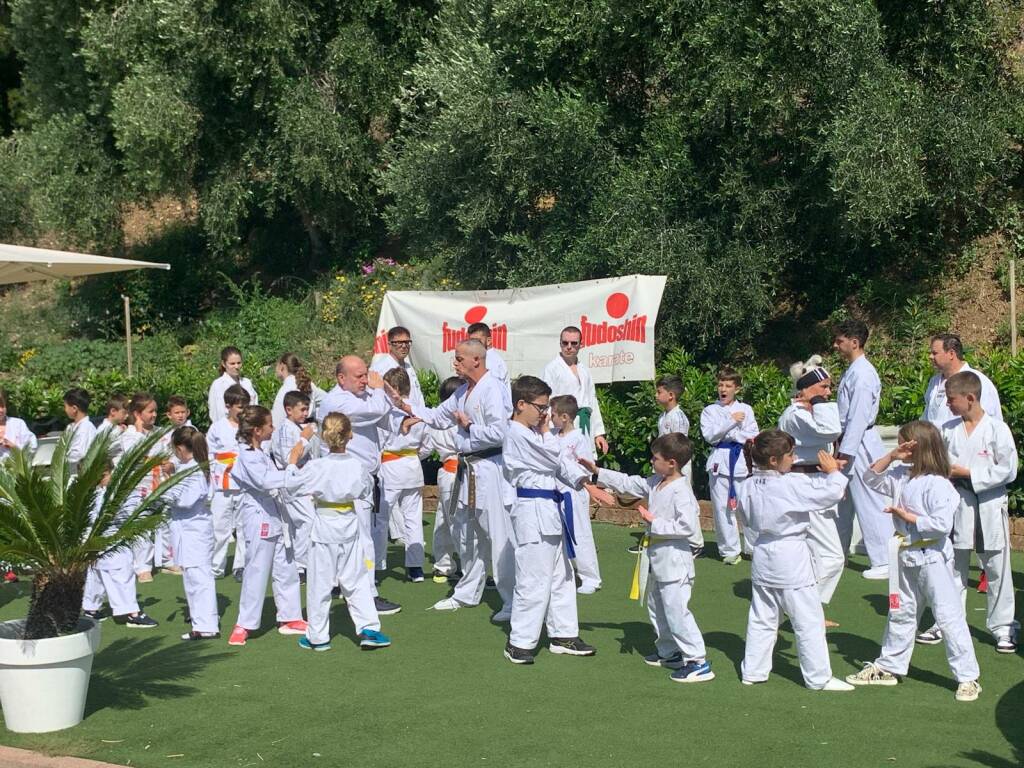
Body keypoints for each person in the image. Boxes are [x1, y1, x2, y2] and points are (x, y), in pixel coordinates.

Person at [846, 421, 982, 703]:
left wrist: (908, 517)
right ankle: (889, 666)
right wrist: (891, 456)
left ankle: (968, 677)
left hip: (932, 558)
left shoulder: (940, 484)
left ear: (919, 447)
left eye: (905, 444)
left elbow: (941, 525)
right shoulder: (899, 473)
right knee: (901, 611)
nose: (902, 449)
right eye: (900, 444)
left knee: (948, 615)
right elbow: (870, 478)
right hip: (904, 555)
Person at [395, 339, 515, 619]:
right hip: (467, 468)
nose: (455, 363)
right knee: (469, 534)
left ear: (477, 359)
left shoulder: (493, 389)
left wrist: (469, 426)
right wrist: (404, 405)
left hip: (491, 466)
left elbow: (500, 433)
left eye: (460, 358)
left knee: (497, 534)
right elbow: (437, 416)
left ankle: (512, 600)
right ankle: (466, 592)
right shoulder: (462, 392)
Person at [582, 433, 714, 683]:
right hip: (657, 558)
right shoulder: (656, 482)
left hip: (676, 559)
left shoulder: (681, 491)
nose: (652, 462)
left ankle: (698, 660)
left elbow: (687, 527)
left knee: (677, 611)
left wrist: (656, 523)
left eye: (656, 458)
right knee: (657, 607)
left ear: (672, 463)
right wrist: (597, 471)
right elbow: (630, 483)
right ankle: (670, 651)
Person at [735, 430, 853, 691]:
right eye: (790, 455)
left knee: (762, 616)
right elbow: (831, 493)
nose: (794, 458)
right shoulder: (790, 484)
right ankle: (818, 677)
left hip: (762, 552)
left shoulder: (746, 485)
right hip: (790, 555)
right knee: (808, 619)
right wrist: (833, 471)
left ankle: (753, 671)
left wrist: (828, 474)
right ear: (775, 460)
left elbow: (743, 514)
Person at [501, 376, 594, 664]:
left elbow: (559, 460)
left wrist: (585, 480)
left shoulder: (535, 433)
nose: (544, 414)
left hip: (552, 510)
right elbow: (554, 459)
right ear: (521, 404)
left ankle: (563, 634)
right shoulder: (516, 433)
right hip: (531, 510)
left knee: (562, 576)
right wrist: (549, 435)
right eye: (540, 407)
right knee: (533, 579)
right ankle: (520, 641)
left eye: (545, 408)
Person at [923, 371, 1018, 653]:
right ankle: (946, 621)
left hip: (989, 501)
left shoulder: (997, 429)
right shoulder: (948, 429)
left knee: (996, 567)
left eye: (952, 400)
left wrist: (970, 473)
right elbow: (937, 462)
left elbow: (1008, 469)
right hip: (957, 501)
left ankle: (1003, 627)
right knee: (953, 564)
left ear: (970, 398)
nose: (948, 405)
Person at [283, 412, 391, 652]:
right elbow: (365, 489)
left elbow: (291, 486)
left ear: (324, 437)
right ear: (350, 435)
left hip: (324, 526)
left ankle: (318, 636)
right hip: (349, 525)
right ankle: (368, 628)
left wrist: (292, 462)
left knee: (319, 583)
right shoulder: (357, 466)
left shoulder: (317, 466)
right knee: (357, 580)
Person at [318, 355, 406, 616]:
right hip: (348, 479)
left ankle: (342, 584)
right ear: (340, 378)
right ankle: (367, 592)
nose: (365, 380)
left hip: (364, 476)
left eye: (366, 374)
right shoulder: (336, 401)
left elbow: (383, 418)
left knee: (354, 536)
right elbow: (375, 411)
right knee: (362, 538)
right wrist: (381, 390)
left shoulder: (364, 395)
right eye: (358, 376)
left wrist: (408, 419)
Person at [227, 406, 313, 646]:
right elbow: (266, 481)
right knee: (257, 569)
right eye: (269, 426)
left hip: (275, 515)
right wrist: (295, 476)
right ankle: (244, 624)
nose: (272, 429)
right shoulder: (246, 456)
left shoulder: (260, 452)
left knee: (286, 566)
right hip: (258, 517)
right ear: (257, 430)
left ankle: (290, 617)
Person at [778, 356, 846, 625]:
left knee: (814, 555)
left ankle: (805, 609)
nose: (828, 393)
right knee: (832, 556)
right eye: (823, 387)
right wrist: (817, 401)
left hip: (813, 481)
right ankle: (802, 610)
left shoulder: (805, 413)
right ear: (805, 389)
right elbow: (831, 429)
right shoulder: (795, 415)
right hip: (804, 486)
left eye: (830, 388)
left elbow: (823, 438)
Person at [833, 319, 892, 579]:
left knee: (870, 501)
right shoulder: (854, 370)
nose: (836, 345)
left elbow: (857, 416)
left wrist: (846, 452)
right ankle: (837, 553)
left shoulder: (863, 374)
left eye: (840, 341)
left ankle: (884, 560)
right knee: (840, 501)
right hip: (849, 441)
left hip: (860, 444)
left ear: (854, 342)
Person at [81, 460, 158, 628]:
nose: (111, 476)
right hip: (108, 538)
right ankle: (131, 613)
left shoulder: (96, 492)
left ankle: (91, 608)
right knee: (121, 572)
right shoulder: (102, 494)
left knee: (96, 574)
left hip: (95, 539)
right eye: (108, 474)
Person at [163, 426, 220, 640]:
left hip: (194, 529)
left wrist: (165, 490)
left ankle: (207, 625)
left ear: (179, 448)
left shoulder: (196, 470)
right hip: (188, 529)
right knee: (192, 576)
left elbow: (185, 501)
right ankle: (200, 622)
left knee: (199, 577)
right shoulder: (190, 466)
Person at [699, 367, 758, 563]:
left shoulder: (746, 409)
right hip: (719, 462)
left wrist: (732, 435)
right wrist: (730, 422)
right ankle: (729, 550)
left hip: (740, 461)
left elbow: (752, 435)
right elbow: (710, 436)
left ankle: (753, 548)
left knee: (747, 506)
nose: (723, 389)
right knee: (722, 509)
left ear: (737, 389)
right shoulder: (710, 410)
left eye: (728, 385)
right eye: (721, 384)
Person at [550, 395, 602, 594]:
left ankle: (591, 577)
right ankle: (567, 573)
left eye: (553, 414)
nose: (549, 417)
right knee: (559, 534)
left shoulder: (579, 438)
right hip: (554, 491)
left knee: (580, 533)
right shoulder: (551, 435)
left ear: (564, 417)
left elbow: (586, 468)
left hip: (574, 491)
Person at [379, 367, 427, 583]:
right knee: (413, 517)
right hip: (413, 465)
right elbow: (427, 446)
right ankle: (416, 568)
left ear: (396, 388)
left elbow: (378, 441)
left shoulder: (388, 412)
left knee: (381, 518)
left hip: (390, 466)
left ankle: (377, 565)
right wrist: (414, 456)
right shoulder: (419, 411)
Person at [119, 392, 166, 583]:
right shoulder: (129, 435)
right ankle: (142, 567)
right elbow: (135, 454)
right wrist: (138, 430)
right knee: (142, 525)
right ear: (138, 414)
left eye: (155, 411)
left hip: (161, 481)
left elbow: (166, 453)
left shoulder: (159, 432)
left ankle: (167, 558)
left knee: (165, 522)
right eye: (150, 411)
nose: (154, 415)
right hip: (140, 485)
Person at [653, 375, 703, 555]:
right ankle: (665, 535)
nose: (656, 395)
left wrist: (675, 468)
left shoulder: (678, 417)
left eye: (659, 392)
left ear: (671, 395)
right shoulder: (663, 416)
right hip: (666, 465)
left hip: (678, 466)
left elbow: (679, 446)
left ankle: (695, 542)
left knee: (686, 501)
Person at [420, 376, 463, 583]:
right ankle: (466, 566)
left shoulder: (437, 424)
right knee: (459, 521)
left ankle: (444, 564)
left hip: (449, 473)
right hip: (459, 472)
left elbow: (424, 450)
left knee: (445, 520)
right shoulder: (460, 422)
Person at [541, 326, 609, 455]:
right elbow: (546, 402)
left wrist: (598, 433)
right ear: (560, 343)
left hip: (584, 423)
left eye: (574, 343)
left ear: (580, 345)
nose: (569, 347)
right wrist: (549, 432)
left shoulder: (584, 369)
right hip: (563, 426)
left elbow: (592, 400)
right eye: (565, 343)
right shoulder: (551, 369)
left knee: (586, 464)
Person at [206, 384, 251, 580]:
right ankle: (216, 566)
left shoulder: (249, 426)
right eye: (240, 407)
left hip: (244, 483)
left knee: (243, 527)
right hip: (222, 483)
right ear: (228, 406)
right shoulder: (217, 427)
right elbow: (209, 454)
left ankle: (240, 566)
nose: (243, 411)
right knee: (220, 527)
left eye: (245, 407)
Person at [270, 391, 315, 580]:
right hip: (291, 482)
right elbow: (290, 459)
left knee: (297, 524)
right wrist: (304, 438)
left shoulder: (296, 427)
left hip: (303, 480)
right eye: (302, 409)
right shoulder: (286, 429)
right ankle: (300, 565)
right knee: (307, 521)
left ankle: (300, 563)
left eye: (307, 409)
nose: (306, 413)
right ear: (289, 410)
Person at [922, 333, 1001, 427]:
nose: (930, 357)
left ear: (951, 354)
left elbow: (989, 422)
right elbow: (927, 417)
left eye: (935, 353)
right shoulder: (934, 382)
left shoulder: (978, 381)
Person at [370, 327, 425, 407]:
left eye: (407, 342)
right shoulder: (379, 370)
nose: (404, 346)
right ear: (389, 345)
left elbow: (418, 395)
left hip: (416, 416)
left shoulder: (409, 367)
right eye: (399, 342)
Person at [272, 352, 325, 428]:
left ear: (282, 367)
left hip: (293, 434)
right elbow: (327, 399)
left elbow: (276, 422)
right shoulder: (309, 384)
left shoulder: (285, 390)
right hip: (311, 431)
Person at [208, 346, 258, 425]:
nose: (236, 366)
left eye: (239, 363)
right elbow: (217, 414)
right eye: (232, 364)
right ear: (224, 364)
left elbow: (254, 406)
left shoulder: (247, 383)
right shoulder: (218, 385)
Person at [468, 322, 512, 410]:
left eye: (477, 341)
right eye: (471, 341)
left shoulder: (492, 362)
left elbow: (493, 391)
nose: (473, 345)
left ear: (488, 341)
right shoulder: (483, 358)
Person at [63, 387, 97, 473]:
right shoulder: (71, 427)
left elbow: (80, 454)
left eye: (66, 406)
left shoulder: (86, 428)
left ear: (74, 408)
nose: (65, 410)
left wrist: (64, 456)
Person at [0, 390, 37, 461]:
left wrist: (13, 447)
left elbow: (32, 447)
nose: (0, 410)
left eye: (2, 406)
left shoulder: (18, 424)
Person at [95, 393, 129, 462]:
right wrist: (119, 431)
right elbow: (103, 449)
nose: (127, 415)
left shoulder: (117, 427)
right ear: (113, 411)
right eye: (124, 413)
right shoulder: (104, 429)